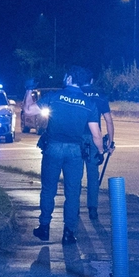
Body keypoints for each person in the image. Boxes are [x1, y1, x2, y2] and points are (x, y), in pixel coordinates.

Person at [34, 66, 104, 246]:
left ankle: (44, 227)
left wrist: (28, 91)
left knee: (48, 189)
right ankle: (68, 233)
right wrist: (101, 152)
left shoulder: (54, 96)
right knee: (73, 193)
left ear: (70, 78)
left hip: (53, 148)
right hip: (75, 152)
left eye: (66, 76)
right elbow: (96, 135)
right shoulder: (89, 104)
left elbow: (28, 110)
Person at [81, 75, 115, 220]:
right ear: (92, 80)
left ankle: (73, 208)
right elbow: (109, 121)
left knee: (74, 175)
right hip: (94, 138)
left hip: (77, 137)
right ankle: (92, 209)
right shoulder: (100, 96)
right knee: (93, 175)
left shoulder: (76, 94)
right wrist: (110, 142)